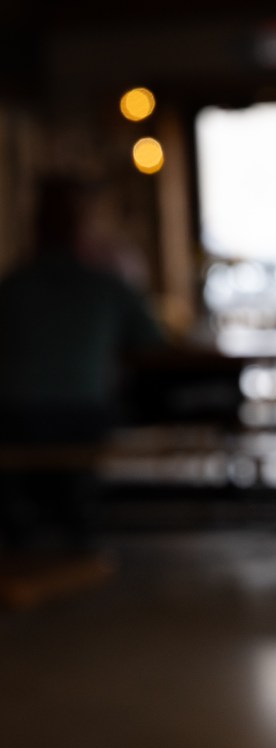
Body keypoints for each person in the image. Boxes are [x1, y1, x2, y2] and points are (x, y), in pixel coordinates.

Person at [0, 175, 164, 554]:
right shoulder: (104, 285)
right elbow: (152, 343)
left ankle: (37, 525)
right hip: (80, 419)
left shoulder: (12, 285)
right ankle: (73, 523)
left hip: (12, 419)